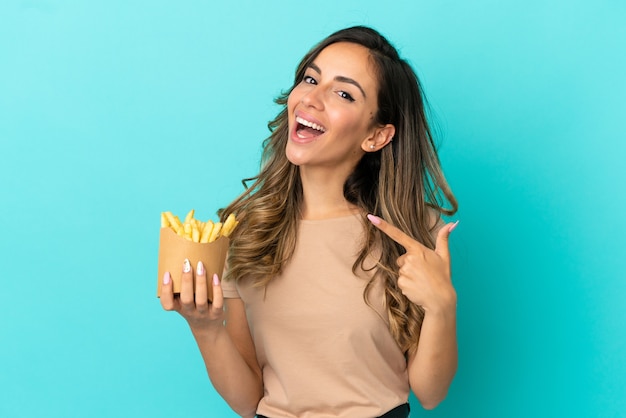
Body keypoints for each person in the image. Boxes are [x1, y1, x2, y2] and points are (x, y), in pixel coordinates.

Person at [160, 25, 459, 418]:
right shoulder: (245, 230)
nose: (311, 99)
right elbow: (248, 400)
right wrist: (204, 328)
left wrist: (442, 306)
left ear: (377, 136)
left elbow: (431, 393)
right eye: (310, 79)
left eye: (343, 93)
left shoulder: (412, 229)